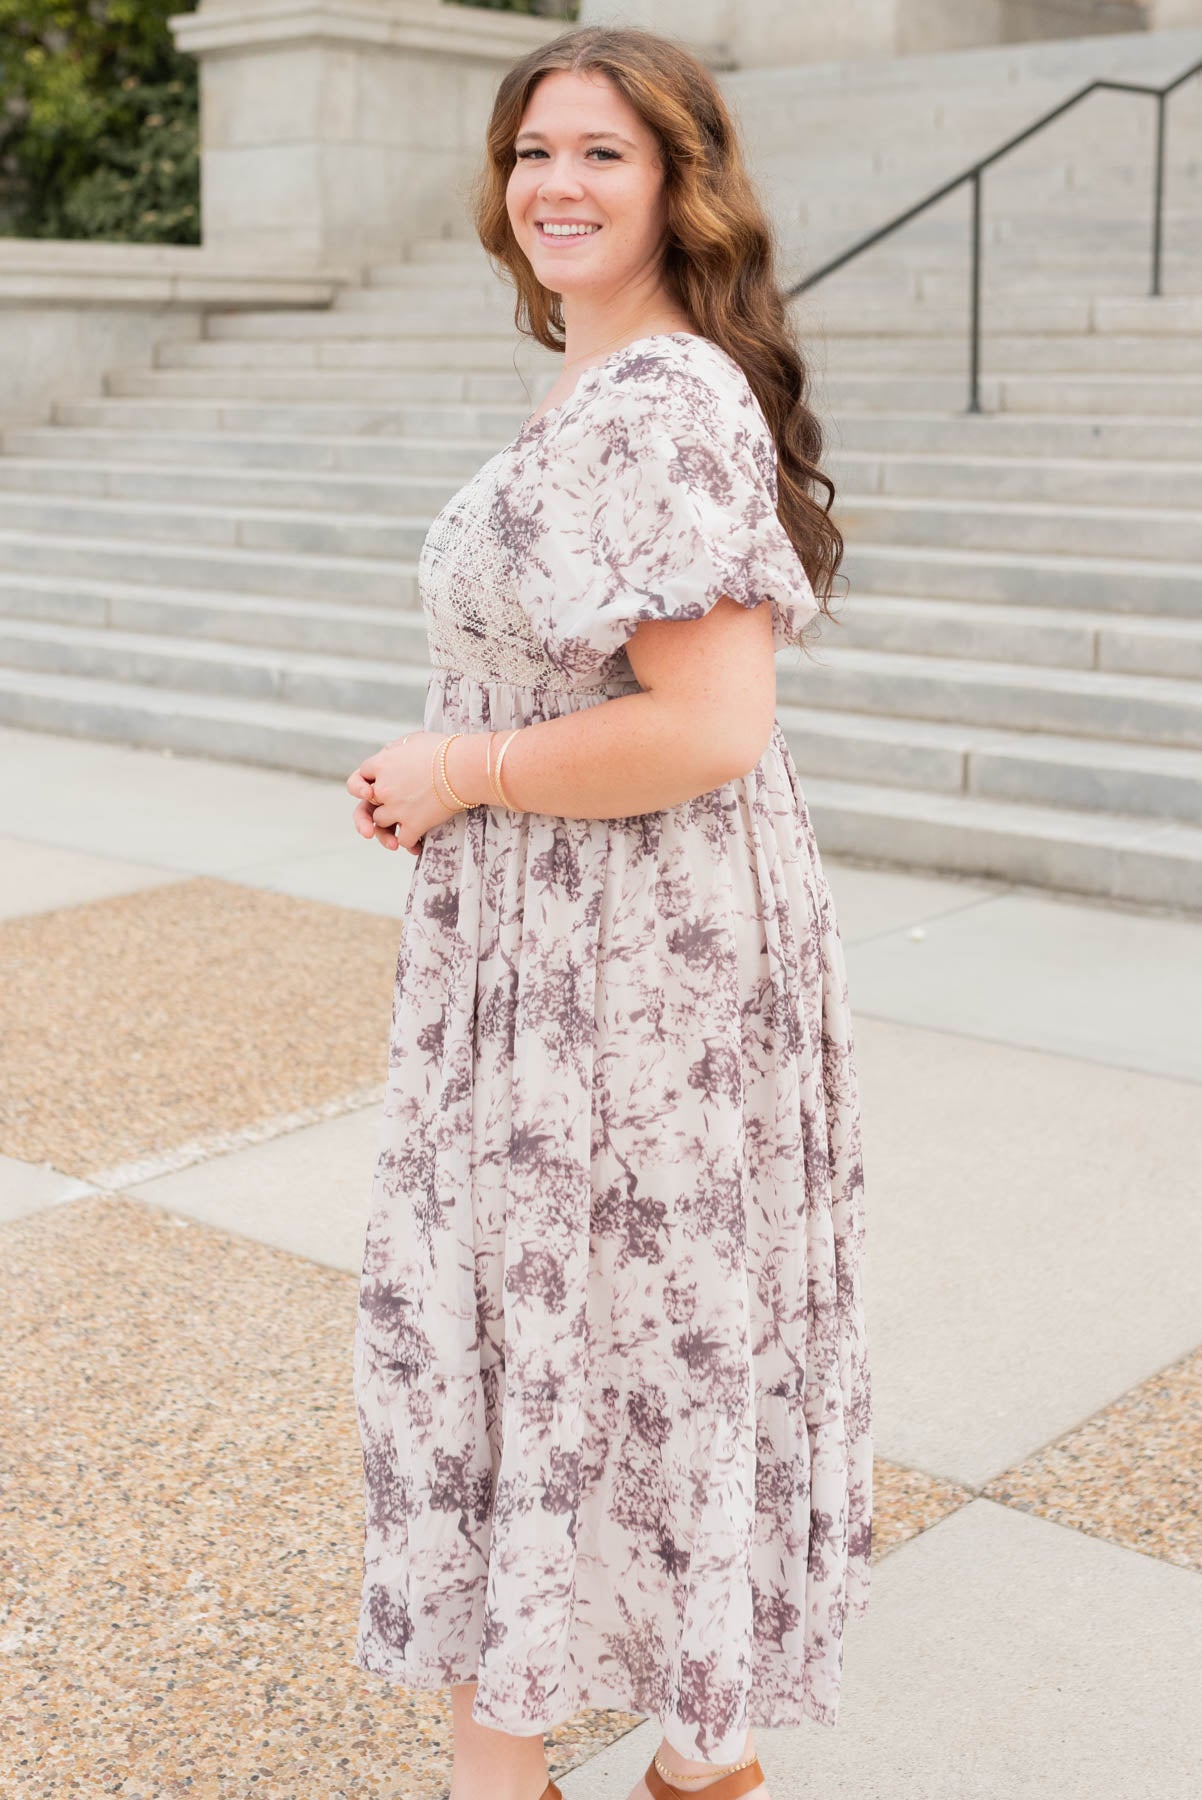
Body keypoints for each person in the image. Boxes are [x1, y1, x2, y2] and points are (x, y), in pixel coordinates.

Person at [344, 24, 872, 1800]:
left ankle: (547, 1768)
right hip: (566, 938)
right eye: (532, 153)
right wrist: (455, 765)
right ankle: (694, 1757)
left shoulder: (664, 402)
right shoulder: (607, 386)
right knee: (605, 1331)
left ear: (675, 186)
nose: (555, 186)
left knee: (565, 1332)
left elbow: (713, 727)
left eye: (601, 156)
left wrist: (463, 772)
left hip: (630, 965)